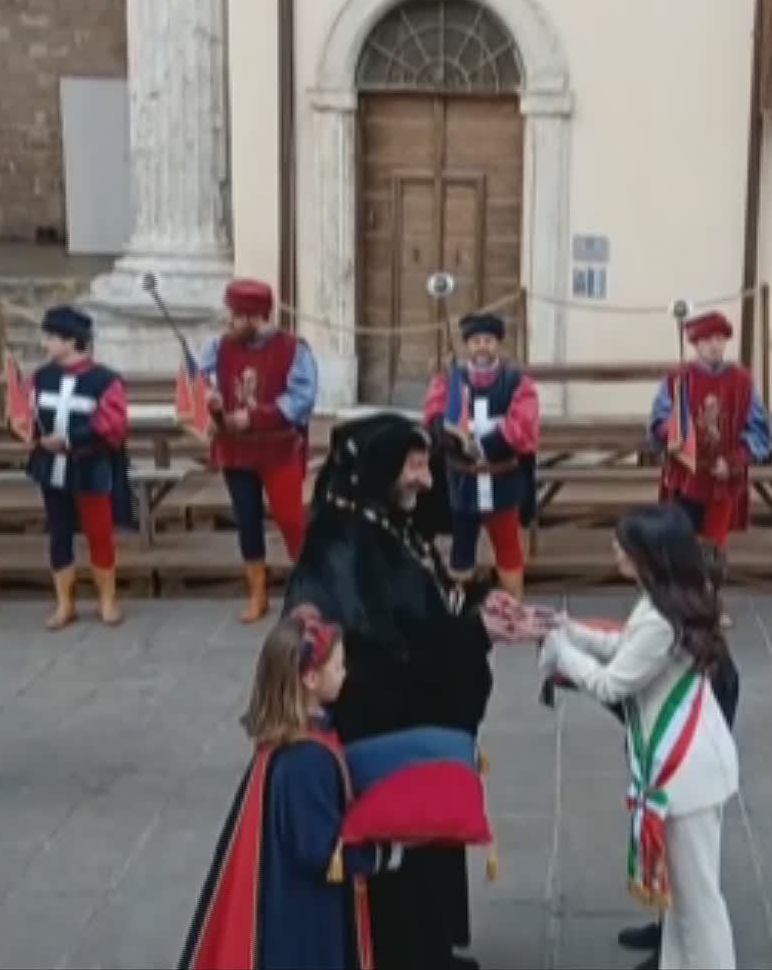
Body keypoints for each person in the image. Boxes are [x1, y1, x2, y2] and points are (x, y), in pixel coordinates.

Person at [283, 412, 494, 970]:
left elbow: (426, 606)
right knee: (403, 854)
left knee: (428, 849)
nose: (427, 482)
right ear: (380, 471)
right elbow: (384, 651)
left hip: (415, 718)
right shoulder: (341, 545)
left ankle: (433, 946)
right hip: (380, 728)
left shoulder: (388, 522)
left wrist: (474, 610)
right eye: (417, 467)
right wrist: (468, 635)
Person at [538, 504, 741, 970]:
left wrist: (562, 653)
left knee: (698, 906)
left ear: (648, 555)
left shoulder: (659, 615)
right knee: (682, 903)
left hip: (686, 770)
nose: (614, 549)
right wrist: (569, 630)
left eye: (622, 543)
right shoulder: (664, 602)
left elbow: (612, 683)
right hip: (689, 763)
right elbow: (626, 649)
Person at [178, 608, 403, 970]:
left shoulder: (293, 738)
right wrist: (383, 853)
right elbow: (321, 850)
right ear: (310, 678)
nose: (345, 673)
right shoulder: (305, 761)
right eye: (338, 666)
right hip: (303, 920)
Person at [198, 278, 317, 623]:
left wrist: (253, 417)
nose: (228, 322)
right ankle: (258, 594)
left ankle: (311, 591)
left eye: (235, 316)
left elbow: (302, 399)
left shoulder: (294, 349)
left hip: (278, 449)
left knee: (291, 519)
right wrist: (210, 400)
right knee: (247, 521)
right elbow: (199, 380)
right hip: (235, 451)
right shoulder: (218, 347)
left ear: (253, 317)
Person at [25, 305, 134, 629]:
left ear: (71, 341)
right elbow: (25, 415)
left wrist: (70, 439)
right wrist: (30, 434)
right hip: (51, 466)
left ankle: (107, 601)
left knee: (99, 532)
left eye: (50, 337)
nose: (45, 343)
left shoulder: (106, 380)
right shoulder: (40, 378)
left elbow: (112, 424)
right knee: (58, 533)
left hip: (90, 465)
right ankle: (64, 604)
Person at [422, 313, 540, 600]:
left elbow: (523, 425)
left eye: (488, 340)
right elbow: (435, 416)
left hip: (502, 478)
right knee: (461, 548)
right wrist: (452, 437)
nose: (482, 347)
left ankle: (513, 610)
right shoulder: (451, 380)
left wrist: (485, 445)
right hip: (463, 481)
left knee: (508, 546)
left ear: (498, 343)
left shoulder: (517, 382)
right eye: (475, 341)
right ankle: (461, 612)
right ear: (467, 346)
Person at [649, 309, 771, 583]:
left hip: (723, 478)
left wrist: (734, 461)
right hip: (685, 478)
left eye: (719, 338)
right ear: (695, 343)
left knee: (714, 548)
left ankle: (710, 606)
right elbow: (658, 420)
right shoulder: (677, 379)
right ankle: (682, 606)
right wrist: (673, 434)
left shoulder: (742, 381)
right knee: (681, 544)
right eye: (706, 340)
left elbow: (759, 432)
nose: (714, 345)